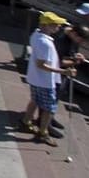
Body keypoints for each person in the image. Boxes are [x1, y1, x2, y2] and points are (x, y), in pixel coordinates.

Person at [18, 12, 70, 146]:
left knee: (34, 100)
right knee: (49, 108)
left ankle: (26, 122)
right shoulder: (45, 43)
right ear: (46, 25)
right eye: (55, 24)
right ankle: (43, 133)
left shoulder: (36, 35)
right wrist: (64, 71)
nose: (59, 26)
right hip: (44, 81)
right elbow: (42, 65)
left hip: (35, 78)